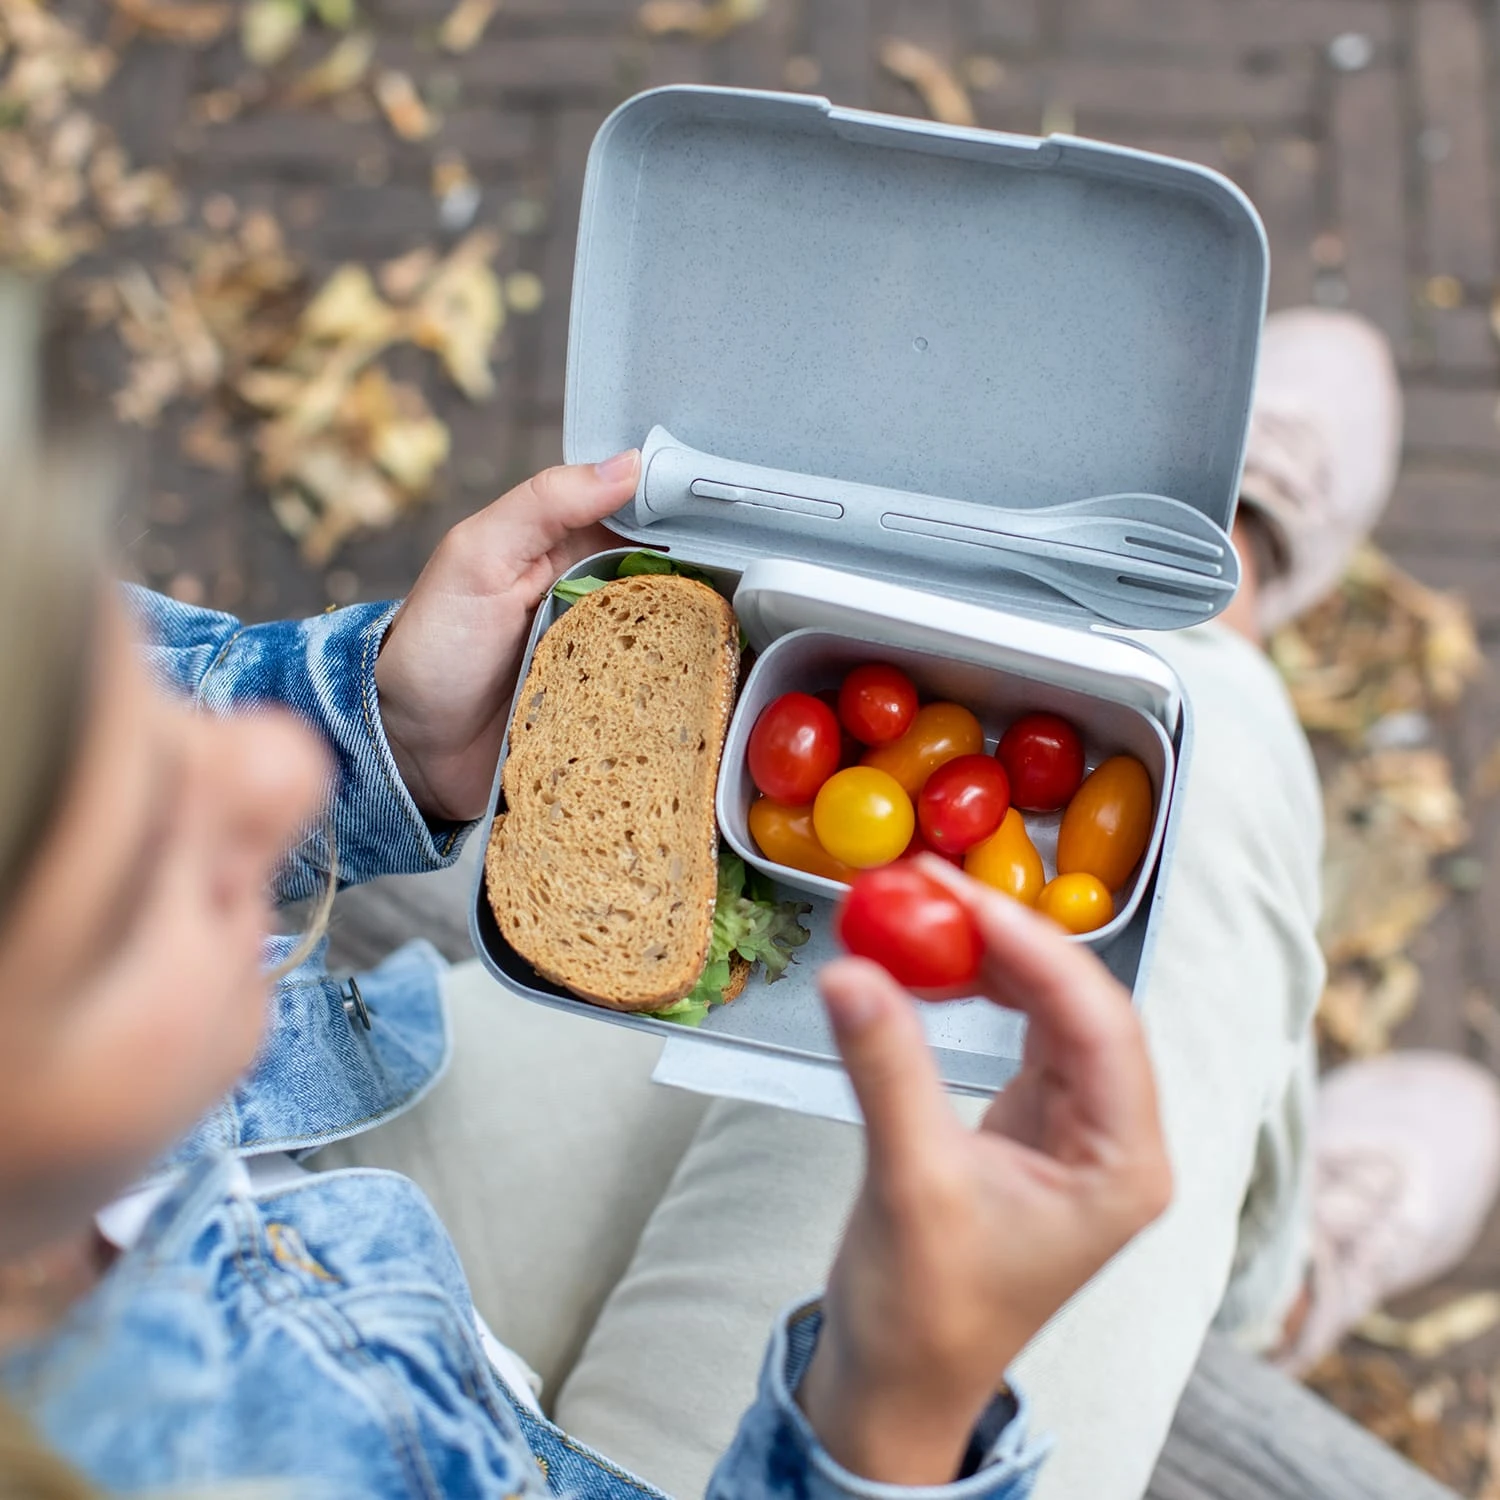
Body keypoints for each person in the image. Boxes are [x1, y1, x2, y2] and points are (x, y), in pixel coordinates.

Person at [0, 263, 1490, 1500]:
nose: (275, 784)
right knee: (1210, 735)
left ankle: (1249, 1261)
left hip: (309, 1182)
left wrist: (367, 718)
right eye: (110, 882)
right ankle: (1269, 1278)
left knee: (895, 960)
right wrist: (888, 1421)